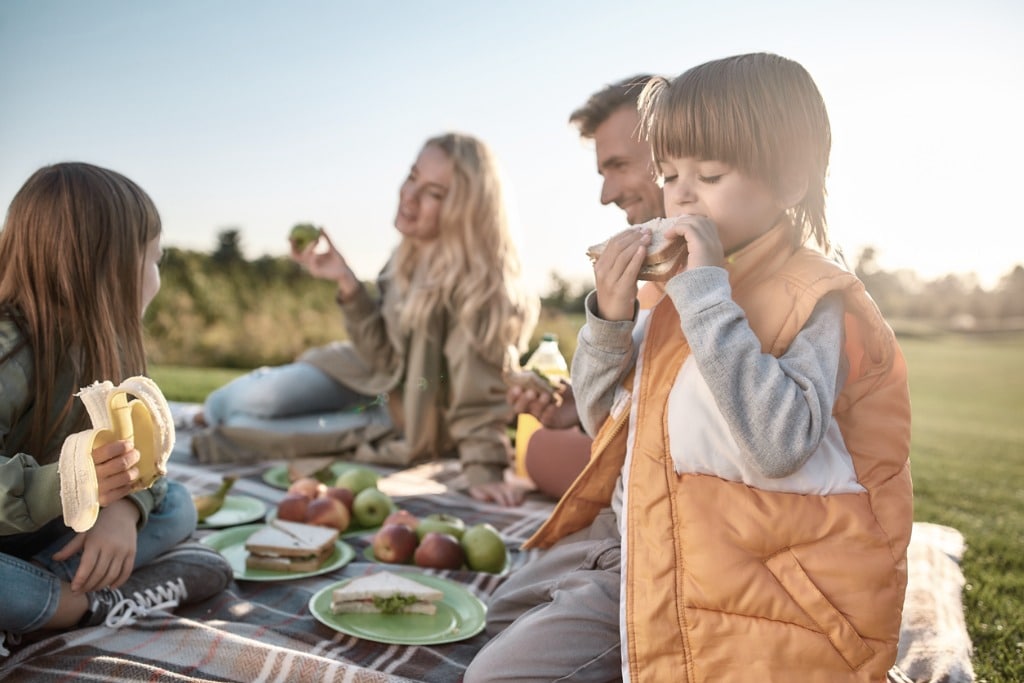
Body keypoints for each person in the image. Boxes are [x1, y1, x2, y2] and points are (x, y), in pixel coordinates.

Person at [466, 53, 913, 681]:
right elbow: (603, 423)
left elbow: (778, 445)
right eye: (671, 172)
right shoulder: (681, 289)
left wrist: (706, 295)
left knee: (494, 676)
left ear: (788, 184)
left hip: (740, 571)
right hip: (647, 534)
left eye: (708, 173)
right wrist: (609, 321)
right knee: (490, 614)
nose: (680, 193)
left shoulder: (814, 299)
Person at [194, 133, 539, 507]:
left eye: (434, 193)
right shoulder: (406, 256)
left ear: (465, 209)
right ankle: (216, 412)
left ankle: (223, 422)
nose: (409, 196)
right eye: (412, 178)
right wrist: (346, 282)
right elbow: (379, 351)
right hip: (366, 374)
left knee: (248, 430)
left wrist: (484, 467)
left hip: (403, 415)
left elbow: (481, 388)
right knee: (244, 400)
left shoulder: (483, 289)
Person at [0, 162, 233, 656]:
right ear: (108, 266)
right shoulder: (9, 353)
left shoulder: (106, 352)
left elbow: (145, 465)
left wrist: (125, 508)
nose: (157, 278)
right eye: (156, 259)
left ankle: (47, 594)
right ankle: (83, 604)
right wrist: (70, 485)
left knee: (176, 505)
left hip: (48, 537)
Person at [509, 74, 664, 499]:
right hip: (646, 473)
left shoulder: (715, 274)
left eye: (619, 165)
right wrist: (576, 413)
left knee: (541, 454)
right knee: (540, 445)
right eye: (603, 171)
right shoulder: (652, 275)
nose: (606, 194)